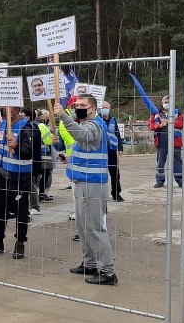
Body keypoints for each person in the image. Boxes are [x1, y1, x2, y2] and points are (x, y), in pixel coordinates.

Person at [55, 94, 118, 285]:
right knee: (82, 227)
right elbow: (85, 150)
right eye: (76, 105)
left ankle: (108, 272)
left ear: (93, 108)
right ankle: (90, 263)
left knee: (94, 228)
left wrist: (63, 117)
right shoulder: (86, 125)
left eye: (82, 105)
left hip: (93, 185)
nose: (78, 107)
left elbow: (82, 136)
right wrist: (68, 158)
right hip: (82, 183)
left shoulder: (95, 125)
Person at [0, 104, 40, 260]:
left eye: (8, 109)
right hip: (1, 176)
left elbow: (30, 153)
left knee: (21, 212)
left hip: (19, 178)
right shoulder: (2, 126)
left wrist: (17, 146)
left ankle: (20, 242)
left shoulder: (27, 128)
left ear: (17, 110)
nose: (4, 112)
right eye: (2, 109)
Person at [148, 95, 184, 188]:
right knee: (160, 161)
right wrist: (159, 126)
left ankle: (180, 181)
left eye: (168, 102)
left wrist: (169, 121)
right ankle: (159, 181)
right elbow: (150, 125)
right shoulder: (156, 113)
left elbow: (182, 124)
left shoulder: (177, 112)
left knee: (177, 162)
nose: (166, 104)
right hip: (161, 140)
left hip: (175, 141)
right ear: (162, 102)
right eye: (165, 102)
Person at [101, 100, 124, 201]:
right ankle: (100, 194)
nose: (104, 109)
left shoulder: (113, 121)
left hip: (112, 151)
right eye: (103, 107)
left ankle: (116, 193)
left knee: (115, 174)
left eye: (106, 108)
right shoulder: (97, 121)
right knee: (100, 174)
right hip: (100, 151)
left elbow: (117, 134)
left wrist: (120, 147)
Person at [35, 109, 56, 203]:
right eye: (46, 117)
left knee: (38, 175)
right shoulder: (41, 125)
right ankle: (42, 194)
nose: (47, 119)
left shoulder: (33, 124)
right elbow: (48, 140)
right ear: (41, 117)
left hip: (37, 153)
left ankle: (38, 194)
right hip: (44, 153)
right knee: (46, 174)